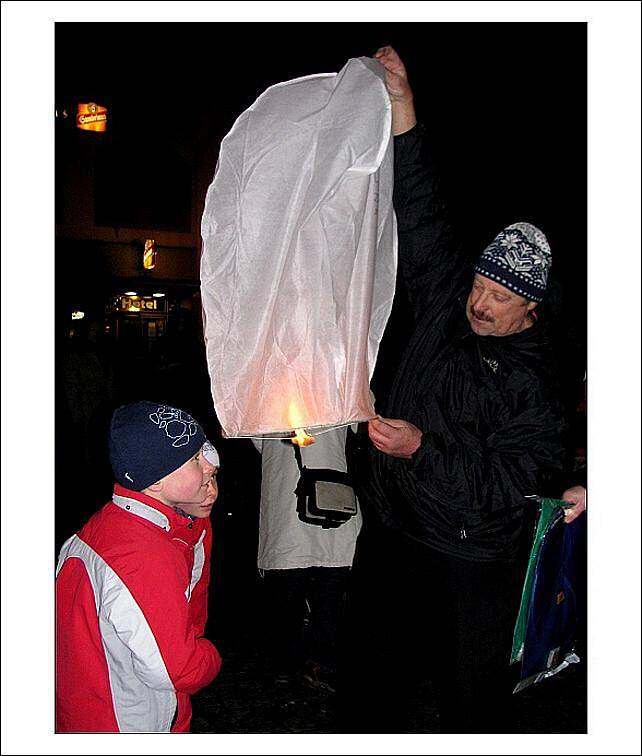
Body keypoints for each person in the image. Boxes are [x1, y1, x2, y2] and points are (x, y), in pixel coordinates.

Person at [339, 47, 570, 734]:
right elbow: (423, 213)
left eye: (500, 297)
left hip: (467, 562)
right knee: (369, 684)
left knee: (469, 704)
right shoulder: (447, 303)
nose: (480, 302)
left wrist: (421, 449)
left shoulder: (536, 385)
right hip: (394, 535)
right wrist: (404, 106)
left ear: (530, 308)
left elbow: (508, 483)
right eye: (479, 283)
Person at [56, 401, 222, 732]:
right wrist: (210, 657)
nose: (210, 464)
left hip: (92, 708)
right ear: (155, 479)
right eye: (193, 459)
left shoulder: (122, 525)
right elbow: (177, 668)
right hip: (125, 722)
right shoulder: (140, 555)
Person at [253, 426, 362, 692]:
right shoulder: (268, 393)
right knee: (295, 589)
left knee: (322, 589)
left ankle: (310, 664)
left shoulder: (338, 387)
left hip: (325, 496)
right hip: (297, 498)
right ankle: (296, 665)